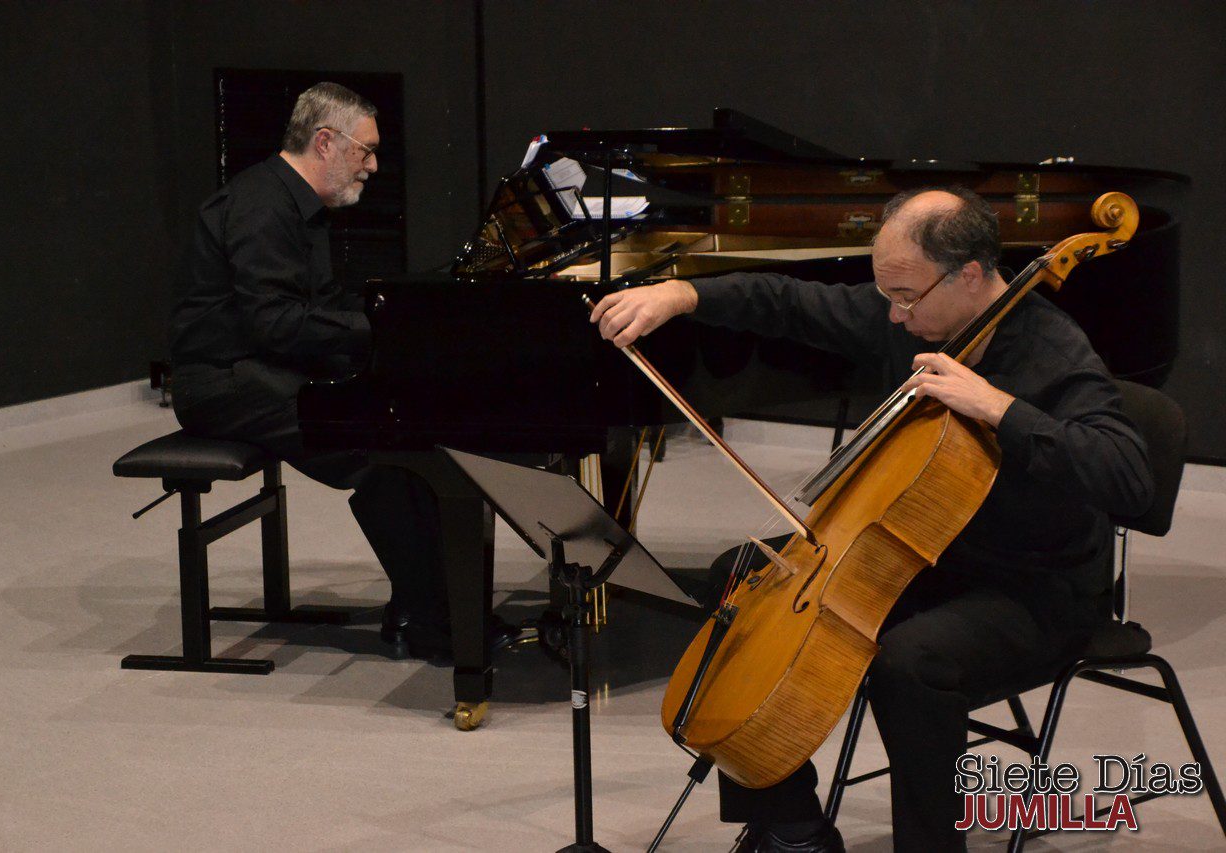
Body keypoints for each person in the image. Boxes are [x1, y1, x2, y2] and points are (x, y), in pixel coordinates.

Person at [590, 187, 1153, 852]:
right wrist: (682, 296)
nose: (893, 312)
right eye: (887, 293)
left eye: (907, 295)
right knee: (739, 577)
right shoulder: (911, 317)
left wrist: (999, 408)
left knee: (908, 661)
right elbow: (790, 302)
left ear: (969, 274)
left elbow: (1130, 477)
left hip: (1033, 587)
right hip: (920, 556)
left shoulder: (1052, 351)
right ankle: (792, 827)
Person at [169, 82, 476, 660]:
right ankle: (434, 620)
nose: (374, 165)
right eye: (367, 151)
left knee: (407, 422)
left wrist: (392, 345)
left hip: (261, 366)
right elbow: (275, 325)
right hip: (221, 381)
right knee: (381, 443)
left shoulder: (298, 206)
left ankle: (429, 606)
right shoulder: (262, 207)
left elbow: (321, 310)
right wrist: (384, 334)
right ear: (326, 142)